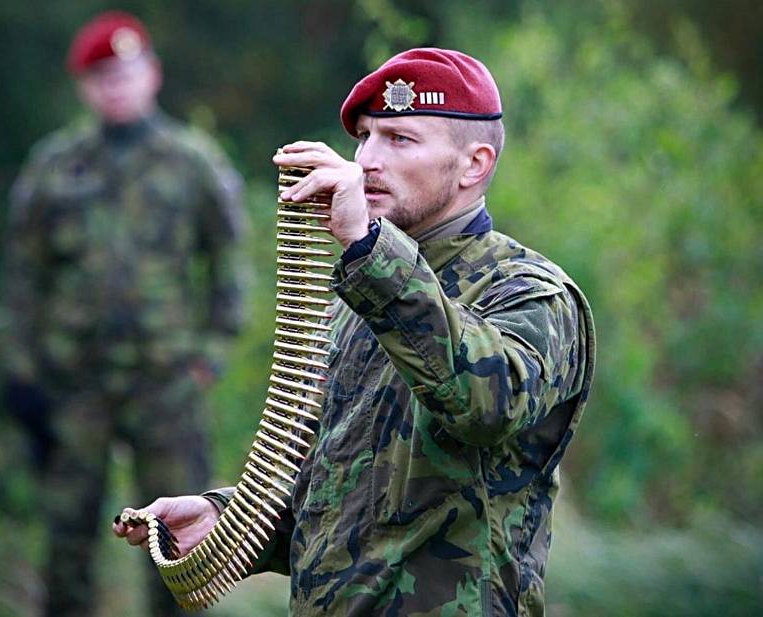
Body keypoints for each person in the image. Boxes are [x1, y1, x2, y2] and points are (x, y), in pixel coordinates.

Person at [114, 47, 595, 616]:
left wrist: (368, 248)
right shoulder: (362, 295)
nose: (367, 160)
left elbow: (486, 403)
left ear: (474, 164)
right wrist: (227, 518)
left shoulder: (530, 292)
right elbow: (338, 492)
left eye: (399, 139)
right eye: (364, 137)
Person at [3, 11, 247, 617]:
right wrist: (24, 374)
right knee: (67, 539)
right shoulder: (55, 168)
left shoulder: (192, 163)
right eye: (103, 77)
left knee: (177, 542)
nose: (117, 87)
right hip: (73, 385)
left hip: (165, 381)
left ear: (153, 76)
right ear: (86, 88)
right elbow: (24, 277)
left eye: (128, 73)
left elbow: (229, 262)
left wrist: (210, 357)